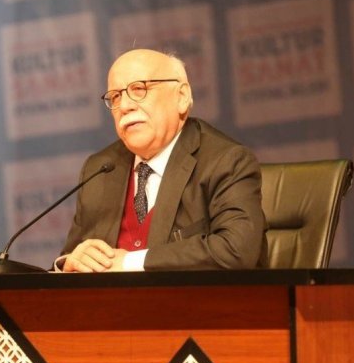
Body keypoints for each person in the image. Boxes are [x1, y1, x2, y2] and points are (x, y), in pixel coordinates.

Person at [56, 49, 267, 272]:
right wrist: (69, 263)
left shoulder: (225, 161)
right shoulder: (100, 168)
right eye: (116, 96)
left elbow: (236, 250)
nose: (125, 106)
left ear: (181, 97)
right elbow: (69, 256)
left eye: (139, 89)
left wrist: (129, 262)